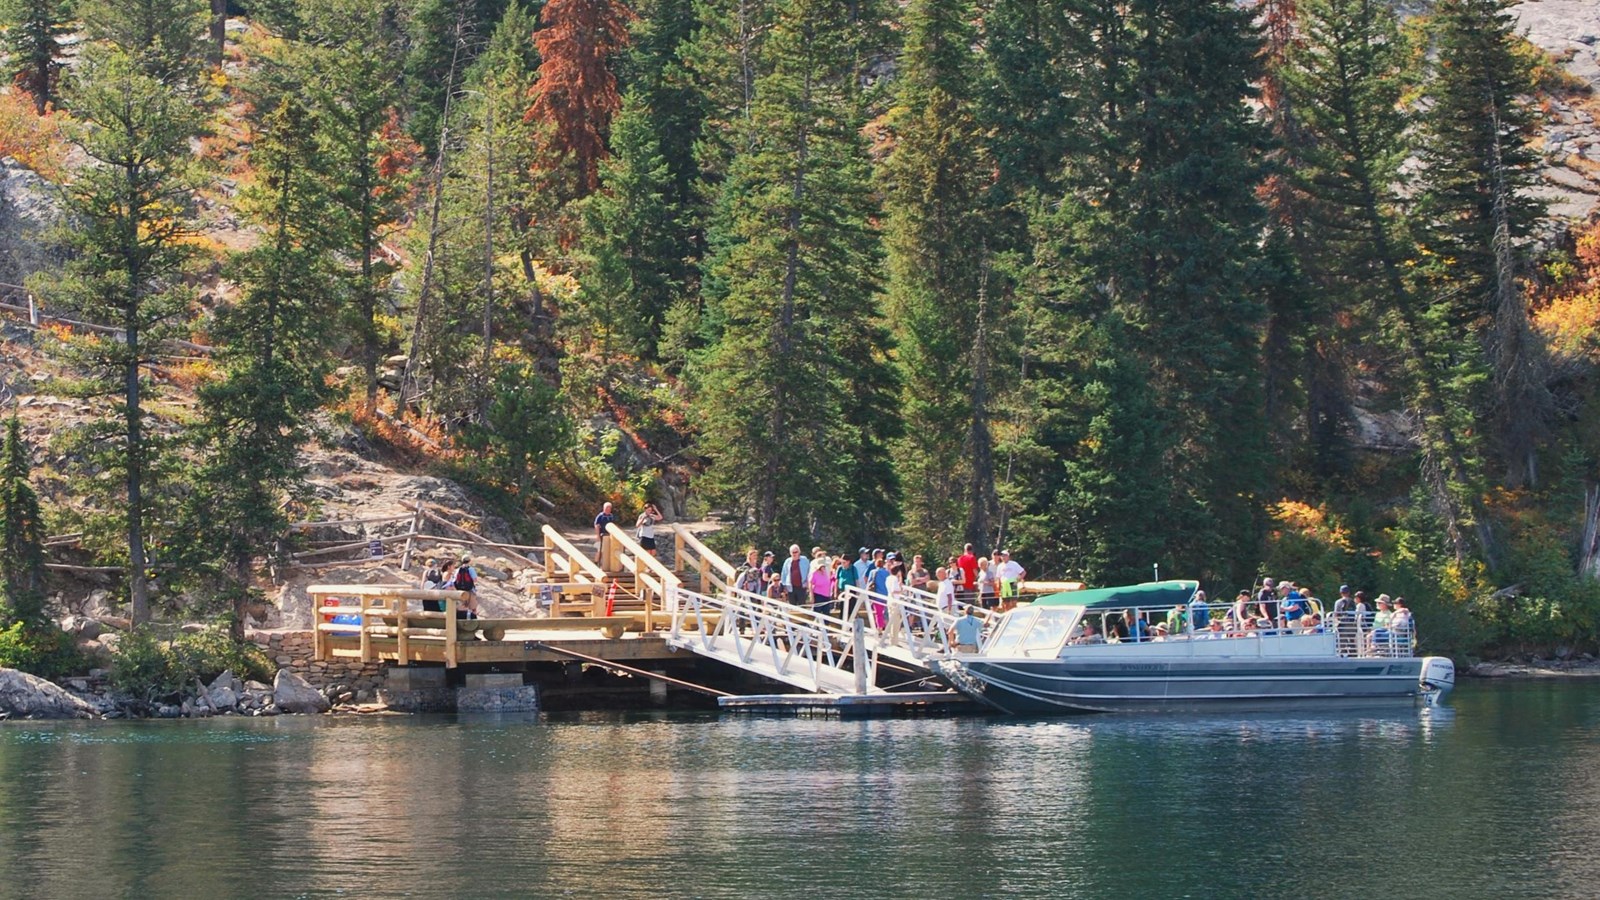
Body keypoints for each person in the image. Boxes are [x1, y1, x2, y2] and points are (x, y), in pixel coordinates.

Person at [780, 544, 810, 609]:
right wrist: (784, 586)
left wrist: (808, 584)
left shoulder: (805, 560)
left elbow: (809, 572)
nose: (794, 554)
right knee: (792, 606)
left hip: (802, 586)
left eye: (796, 552)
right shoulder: (787, 561)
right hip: (790, 587)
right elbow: (784, 574)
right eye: (792, 552)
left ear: (799, 552)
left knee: (802, 606)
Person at [453, 554, 481, 619]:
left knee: (462, 607)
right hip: (470, 590)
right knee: (473, 608)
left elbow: (454, 580)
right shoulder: (471, 569)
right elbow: (475, 579)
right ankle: (472, 621)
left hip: (460, 592)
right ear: (469, 561)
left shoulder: (458, 569)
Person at [810, 550, 837, 616]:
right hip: (818, 595)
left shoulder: (825, 572)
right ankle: (817, 626)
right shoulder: (814, 573)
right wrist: (811, 596)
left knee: (826, 613)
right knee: (817, 613)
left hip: (827, 595)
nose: (822, 567)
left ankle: (826, 624)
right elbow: (810, 583)